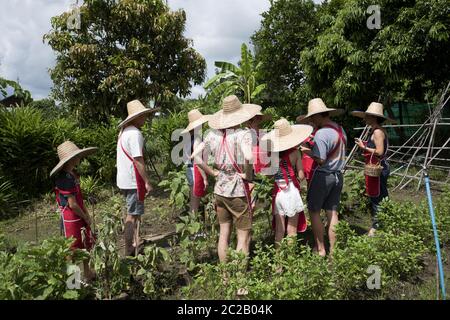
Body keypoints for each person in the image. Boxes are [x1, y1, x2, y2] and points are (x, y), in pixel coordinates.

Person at [193, 95, 259, 263]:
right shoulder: (243, 134)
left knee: (224, 234)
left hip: (220, 189)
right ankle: (240, 282)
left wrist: (212, 172)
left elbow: (196, 157)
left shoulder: (211, 135)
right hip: (237, 190)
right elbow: (249, 156)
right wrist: (248, 175)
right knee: (243, 236)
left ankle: (224, 277)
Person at [300, 98, 346, 257]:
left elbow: (320, 159)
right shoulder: (340, 129)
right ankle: (334, 250)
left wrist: (306, 152)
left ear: (319, 115)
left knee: (314, 211)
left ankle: (320, 248)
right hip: (338, 176)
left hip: (323, 176)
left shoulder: (321, 133)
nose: (312, 120)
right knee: (332, 212)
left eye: (313, 117)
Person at [260, 118, 313, 246]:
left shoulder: (273, 154)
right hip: (291, 192)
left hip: (278, 193)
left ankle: (278, 264)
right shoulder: (295, 153)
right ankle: (290, 262)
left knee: (279, 230)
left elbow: (268, 176)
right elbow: (300, 176)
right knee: (292, 229)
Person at [51, 140, 97, 281]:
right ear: (71, 159)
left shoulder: (71, 175)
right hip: (71, 218)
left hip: (78, 216)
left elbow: (79, 201)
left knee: (85, 245)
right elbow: (72, 204)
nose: (79, 158)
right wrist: (85, 216)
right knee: (72, 250)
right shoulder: (65, 179)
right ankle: (73, 282)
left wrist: (86, 215)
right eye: (77, 156)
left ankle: (87, 273)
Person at [117, 99, 156, 256]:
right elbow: (138, 159)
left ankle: (135, 241)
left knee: (134, 213)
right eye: (143, 116)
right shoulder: (135, 134)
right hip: (133, 181)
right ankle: (129, 249)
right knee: (132, 215)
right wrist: (147, 181)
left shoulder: (124, 132)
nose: (145, 119)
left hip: (124, 180)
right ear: (136, 117)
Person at [352, 102, 394, 236]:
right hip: (378, 166)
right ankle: (386, 223)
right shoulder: (377, 130)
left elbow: (380, 151)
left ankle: (376, 227)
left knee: (376, 195)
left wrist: (363, 147)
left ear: (374, 118)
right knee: (381, 195)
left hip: (378, 167)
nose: (365, 119)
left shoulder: (377, 132)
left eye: (368, 116)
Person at [181, 109, 210, 214]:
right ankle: (194, 227)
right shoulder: (197, 138)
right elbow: (197, 159)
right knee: (195, 203)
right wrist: (205, 177)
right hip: (195, 170)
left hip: (189, 169)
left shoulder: (188, 138)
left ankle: (193, 225)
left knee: (193, 199)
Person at [245, 107, 271, 208]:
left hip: (263, 167)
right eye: (255, 118)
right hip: (251, 167)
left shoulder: (264, 134)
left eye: (258, 118)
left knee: (264, 195)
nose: (258, 120)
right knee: (252, 196)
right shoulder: (246, 134)